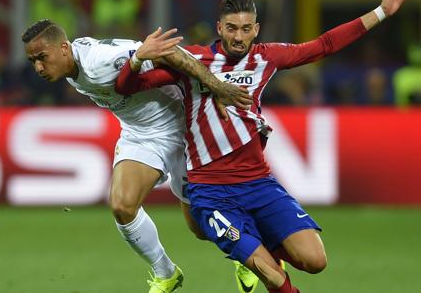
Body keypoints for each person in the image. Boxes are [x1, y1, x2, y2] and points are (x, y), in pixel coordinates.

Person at [115, 0, 416, 293]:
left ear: (256, 30)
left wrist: (382, 11)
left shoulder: (267, 57)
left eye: (246, 29)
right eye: (232, 28)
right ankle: (254, 255)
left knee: (315, 261)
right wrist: (136, 59)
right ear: (219, 27)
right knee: (272, 276)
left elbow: (324, 45)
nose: (238, 36)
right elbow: (127, 87)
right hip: (211, 190)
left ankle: (255, 244)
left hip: (259, 184)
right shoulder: (192, 61)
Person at [21, 19, 251, 293]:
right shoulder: (73, 61)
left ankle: (249, 252)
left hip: (180, 127)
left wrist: (216, 86)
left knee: (201, 228)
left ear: (62, 48)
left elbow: (171, 53)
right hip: (140, 134)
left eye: (42, 58)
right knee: (122, 205)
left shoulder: (101, 61)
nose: (38, 67)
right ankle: (166, 273)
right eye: (33, 60)